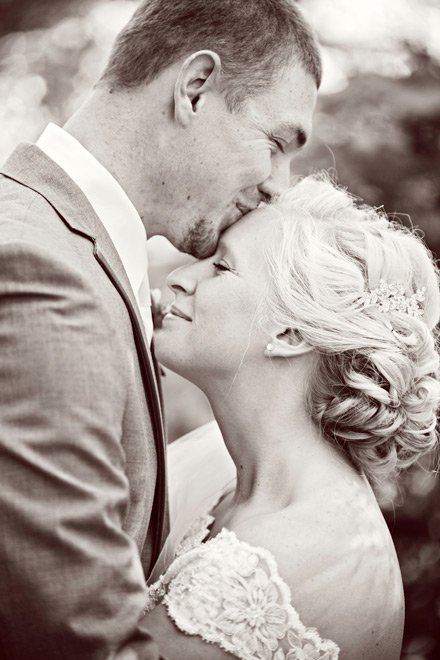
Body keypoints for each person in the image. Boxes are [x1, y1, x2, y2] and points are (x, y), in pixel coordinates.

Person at [0, 1, 320, 658]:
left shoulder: (71, 250)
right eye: (276, 144)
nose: (278, 186)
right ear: (195, 88)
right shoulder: (42, 267)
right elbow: (77, 638)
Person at [144, 175, 440, 659]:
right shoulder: (222, 472)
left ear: (290, 334)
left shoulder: (280, 563)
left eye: (222, 267)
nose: (180, 277)